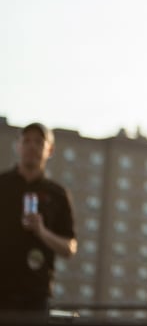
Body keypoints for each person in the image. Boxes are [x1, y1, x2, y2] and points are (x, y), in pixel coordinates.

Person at [0, 123, 77, 317]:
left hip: (35, 297)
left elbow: (70, 247)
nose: (32, 147)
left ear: (49, 150)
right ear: (18, 146)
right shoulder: (3, 185)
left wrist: (42, 232)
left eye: (39, 142)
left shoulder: (57, 194)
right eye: (26, 141)